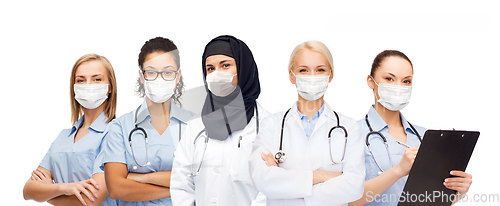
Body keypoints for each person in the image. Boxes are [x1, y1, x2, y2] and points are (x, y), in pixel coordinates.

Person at [349, 50, 473, 206]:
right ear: (370, 81)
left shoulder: (425, 136)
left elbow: (431, 199)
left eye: (406, 81)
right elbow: (348, 200)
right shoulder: (352, 134)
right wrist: (398, 170)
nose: (398, 87)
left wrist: (457, 192)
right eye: (389, 79)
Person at [249, 40, 365, 206]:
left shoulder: (349, 127)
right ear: (292, 76)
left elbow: (354, 186)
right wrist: (323, 176)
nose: (312, 76)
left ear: (330, 75)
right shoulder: (271, 125)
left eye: (320, 70)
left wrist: (288, 188)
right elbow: (262, 179)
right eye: (303, 70)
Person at [170, 35, 270, 206]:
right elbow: (181, 185)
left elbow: (270, 187)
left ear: (243, 68)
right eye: (210, 68)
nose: (216, 74)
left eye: (225, 65)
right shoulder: (196, 127)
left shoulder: (268, 125)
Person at [101, 37, 193, 206]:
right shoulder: (120, 127)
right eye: (151, 72)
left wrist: (143, 178)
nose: (159, 79)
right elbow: (116, 189)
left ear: (177, 76)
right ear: (141, 77)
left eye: (167, 72)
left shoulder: (195, 125)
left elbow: (202, 180)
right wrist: (178, 188)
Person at [23, 53, 118, 206]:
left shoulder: (115, 133)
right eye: (81, 80)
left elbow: (91, 199)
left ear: (110, 88)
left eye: (97, 79)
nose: (88, 85)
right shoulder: (63, 137)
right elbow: (28, 191)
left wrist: (48, 193)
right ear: (74, 88)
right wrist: (64, 188)